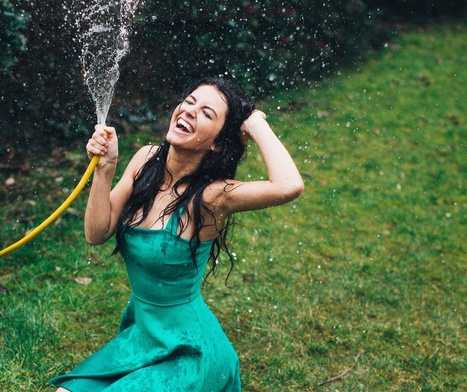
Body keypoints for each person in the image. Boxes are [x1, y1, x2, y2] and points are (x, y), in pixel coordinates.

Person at [51, 77, 303, 392]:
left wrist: (254, 122)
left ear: (216, 143)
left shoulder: (212, 197)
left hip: (191, 351)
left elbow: (288, 186)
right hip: (145, 335)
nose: (190, 111)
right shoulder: (145, 159)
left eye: (207, 114)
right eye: (189, 101)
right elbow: (96, 232)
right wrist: (106, 168)